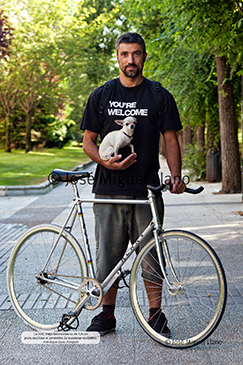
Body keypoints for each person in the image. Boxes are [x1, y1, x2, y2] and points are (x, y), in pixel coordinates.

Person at [80, 32, 186, 336]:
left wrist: (175, 177)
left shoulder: (158, 95)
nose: (131, 60)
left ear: (144, 57)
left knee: (152, 254)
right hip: (108, 191)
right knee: (108, 256)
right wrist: (104, 161)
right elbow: (88, 142)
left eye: (136, 54)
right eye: (125, 54)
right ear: (117, 57)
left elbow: (170, 139)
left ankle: (155, 315)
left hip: (147, 191)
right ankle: (107, 316)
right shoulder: (101, 95)